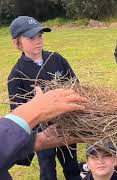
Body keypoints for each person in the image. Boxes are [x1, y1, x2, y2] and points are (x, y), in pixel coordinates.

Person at [8, 16, 81, 180]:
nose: (38, 41)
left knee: (71, 165)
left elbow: (76, 85)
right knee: (47, 169)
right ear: (17, 42)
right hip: (42, 134)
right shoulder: (16, 75)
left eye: (40, 35)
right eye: (31, 37)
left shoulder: (56, 59)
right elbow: (18, 112)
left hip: (66, 125)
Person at [0, 87, 87, 180]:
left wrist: (35, 142)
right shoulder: (16, 73)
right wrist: (32, 111)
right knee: (47, 164)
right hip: (38, 128)